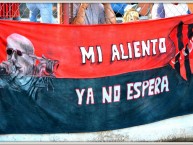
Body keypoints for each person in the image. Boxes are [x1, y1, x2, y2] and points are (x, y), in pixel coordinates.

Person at [0, 33, 59, 100]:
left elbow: (53, 99)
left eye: (19, 53)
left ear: (32, 60)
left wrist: (48, 77)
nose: (13, 58)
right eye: (9, 52)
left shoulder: (42, 80)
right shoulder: (3, 77)